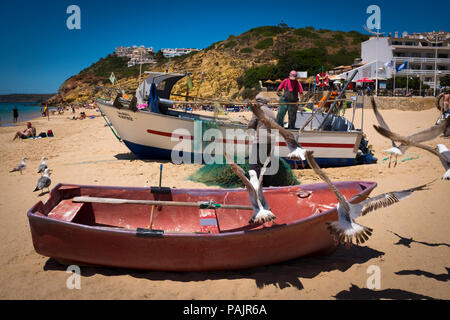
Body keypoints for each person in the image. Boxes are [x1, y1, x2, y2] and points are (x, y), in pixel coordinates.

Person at [247, 93, 277, 186]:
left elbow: (252, 123)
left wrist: (249, 129)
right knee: (267, 163)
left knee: (255, 163)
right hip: (270, 141)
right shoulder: (271, 112)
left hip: (261, 139)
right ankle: (267, 184)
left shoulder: (258, 111)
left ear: (259, 103)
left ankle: (255, 183)